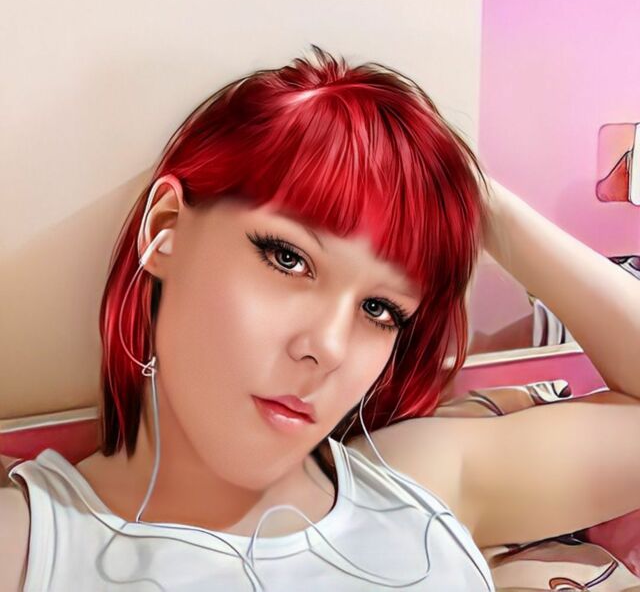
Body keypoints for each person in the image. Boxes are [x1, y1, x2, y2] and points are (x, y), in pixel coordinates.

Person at [2, 45, 640, 590]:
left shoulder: (418, 479)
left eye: (380, 309)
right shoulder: (28, 546)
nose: (328, 347)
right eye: (287, 259)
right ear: (166, 229)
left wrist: (472, 197)